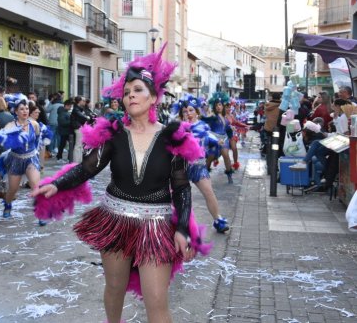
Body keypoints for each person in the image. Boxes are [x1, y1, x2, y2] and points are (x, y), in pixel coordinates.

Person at [32, 47, 208, 323]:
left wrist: (183, 228)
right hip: (114, 221)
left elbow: (182, 188)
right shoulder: (113, 135)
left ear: (153, 97)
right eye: (126, 92)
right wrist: (58, 184)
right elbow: (87, 168)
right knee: (115, 288)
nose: (130, 96)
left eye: (138, 90)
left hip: (156, 225)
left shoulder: (173, 137)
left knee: (157, 300)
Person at [175, 95, 230, 233]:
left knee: (209, 193)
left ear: (197, 112)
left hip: (198, 166)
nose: (188, 113)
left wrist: (218, 141)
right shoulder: (179, 127)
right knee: (178, 197)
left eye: (191, 110)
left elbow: (209, 136)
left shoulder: (202, 126)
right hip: (181, 167)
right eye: (185, 111)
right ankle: (176, 224)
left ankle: (218, 220)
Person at [0, 99, 41, 219]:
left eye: (26, 108)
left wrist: (35, 153)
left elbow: (36, 139)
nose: (25, 111)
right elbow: (3, 140)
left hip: (31, 158)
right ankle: (7, 205)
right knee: (13, 190)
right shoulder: (10, 126)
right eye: (21, 109)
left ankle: (41, 212)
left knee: (36, 186)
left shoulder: (34, 124)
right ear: (15, 111)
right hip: (16, 159)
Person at [202, 92, 235, 184]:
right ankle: (205, 173)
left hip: (224, 139)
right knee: (210, 157)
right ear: (215, 107)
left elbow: (227, 129)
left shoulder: (225, 118)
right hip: (214, 140)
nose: (218, 107)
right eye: (216, 105)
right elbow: (205, 119)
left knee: (226, 155)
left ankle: (229, 175)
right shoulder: (213, 117)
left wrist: (231, 131)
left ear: (222, 106)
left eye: (220, 105)